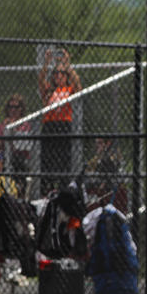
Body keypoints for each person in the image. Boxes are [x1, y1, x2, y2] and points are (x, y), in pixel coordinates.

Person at [38, 48, 82, 194]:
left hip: (63, 125)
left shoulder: (68, 89)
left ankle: (64, 190)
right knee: (48, 161)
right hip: (49, 125)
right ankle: (46, 190)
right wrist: (47, 63)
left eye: (62, 73)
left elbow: (78, 85)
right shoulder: (50, 90)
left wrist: (67, 65)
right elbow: (41, 80)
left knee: (64, 161)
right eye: (56, 73)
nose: (58, 75)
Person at [0, 94, 32, 178]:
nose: (13, 110)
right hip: (3, 157)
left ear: (21, 109)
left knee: (17, 159)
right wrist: (6, 128)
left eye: (16, 107)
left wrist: (12, 129)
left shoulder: (25, 124)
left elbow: (20, 146)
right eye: (10, 107)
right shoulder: (3, 124)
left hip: (19, 159)